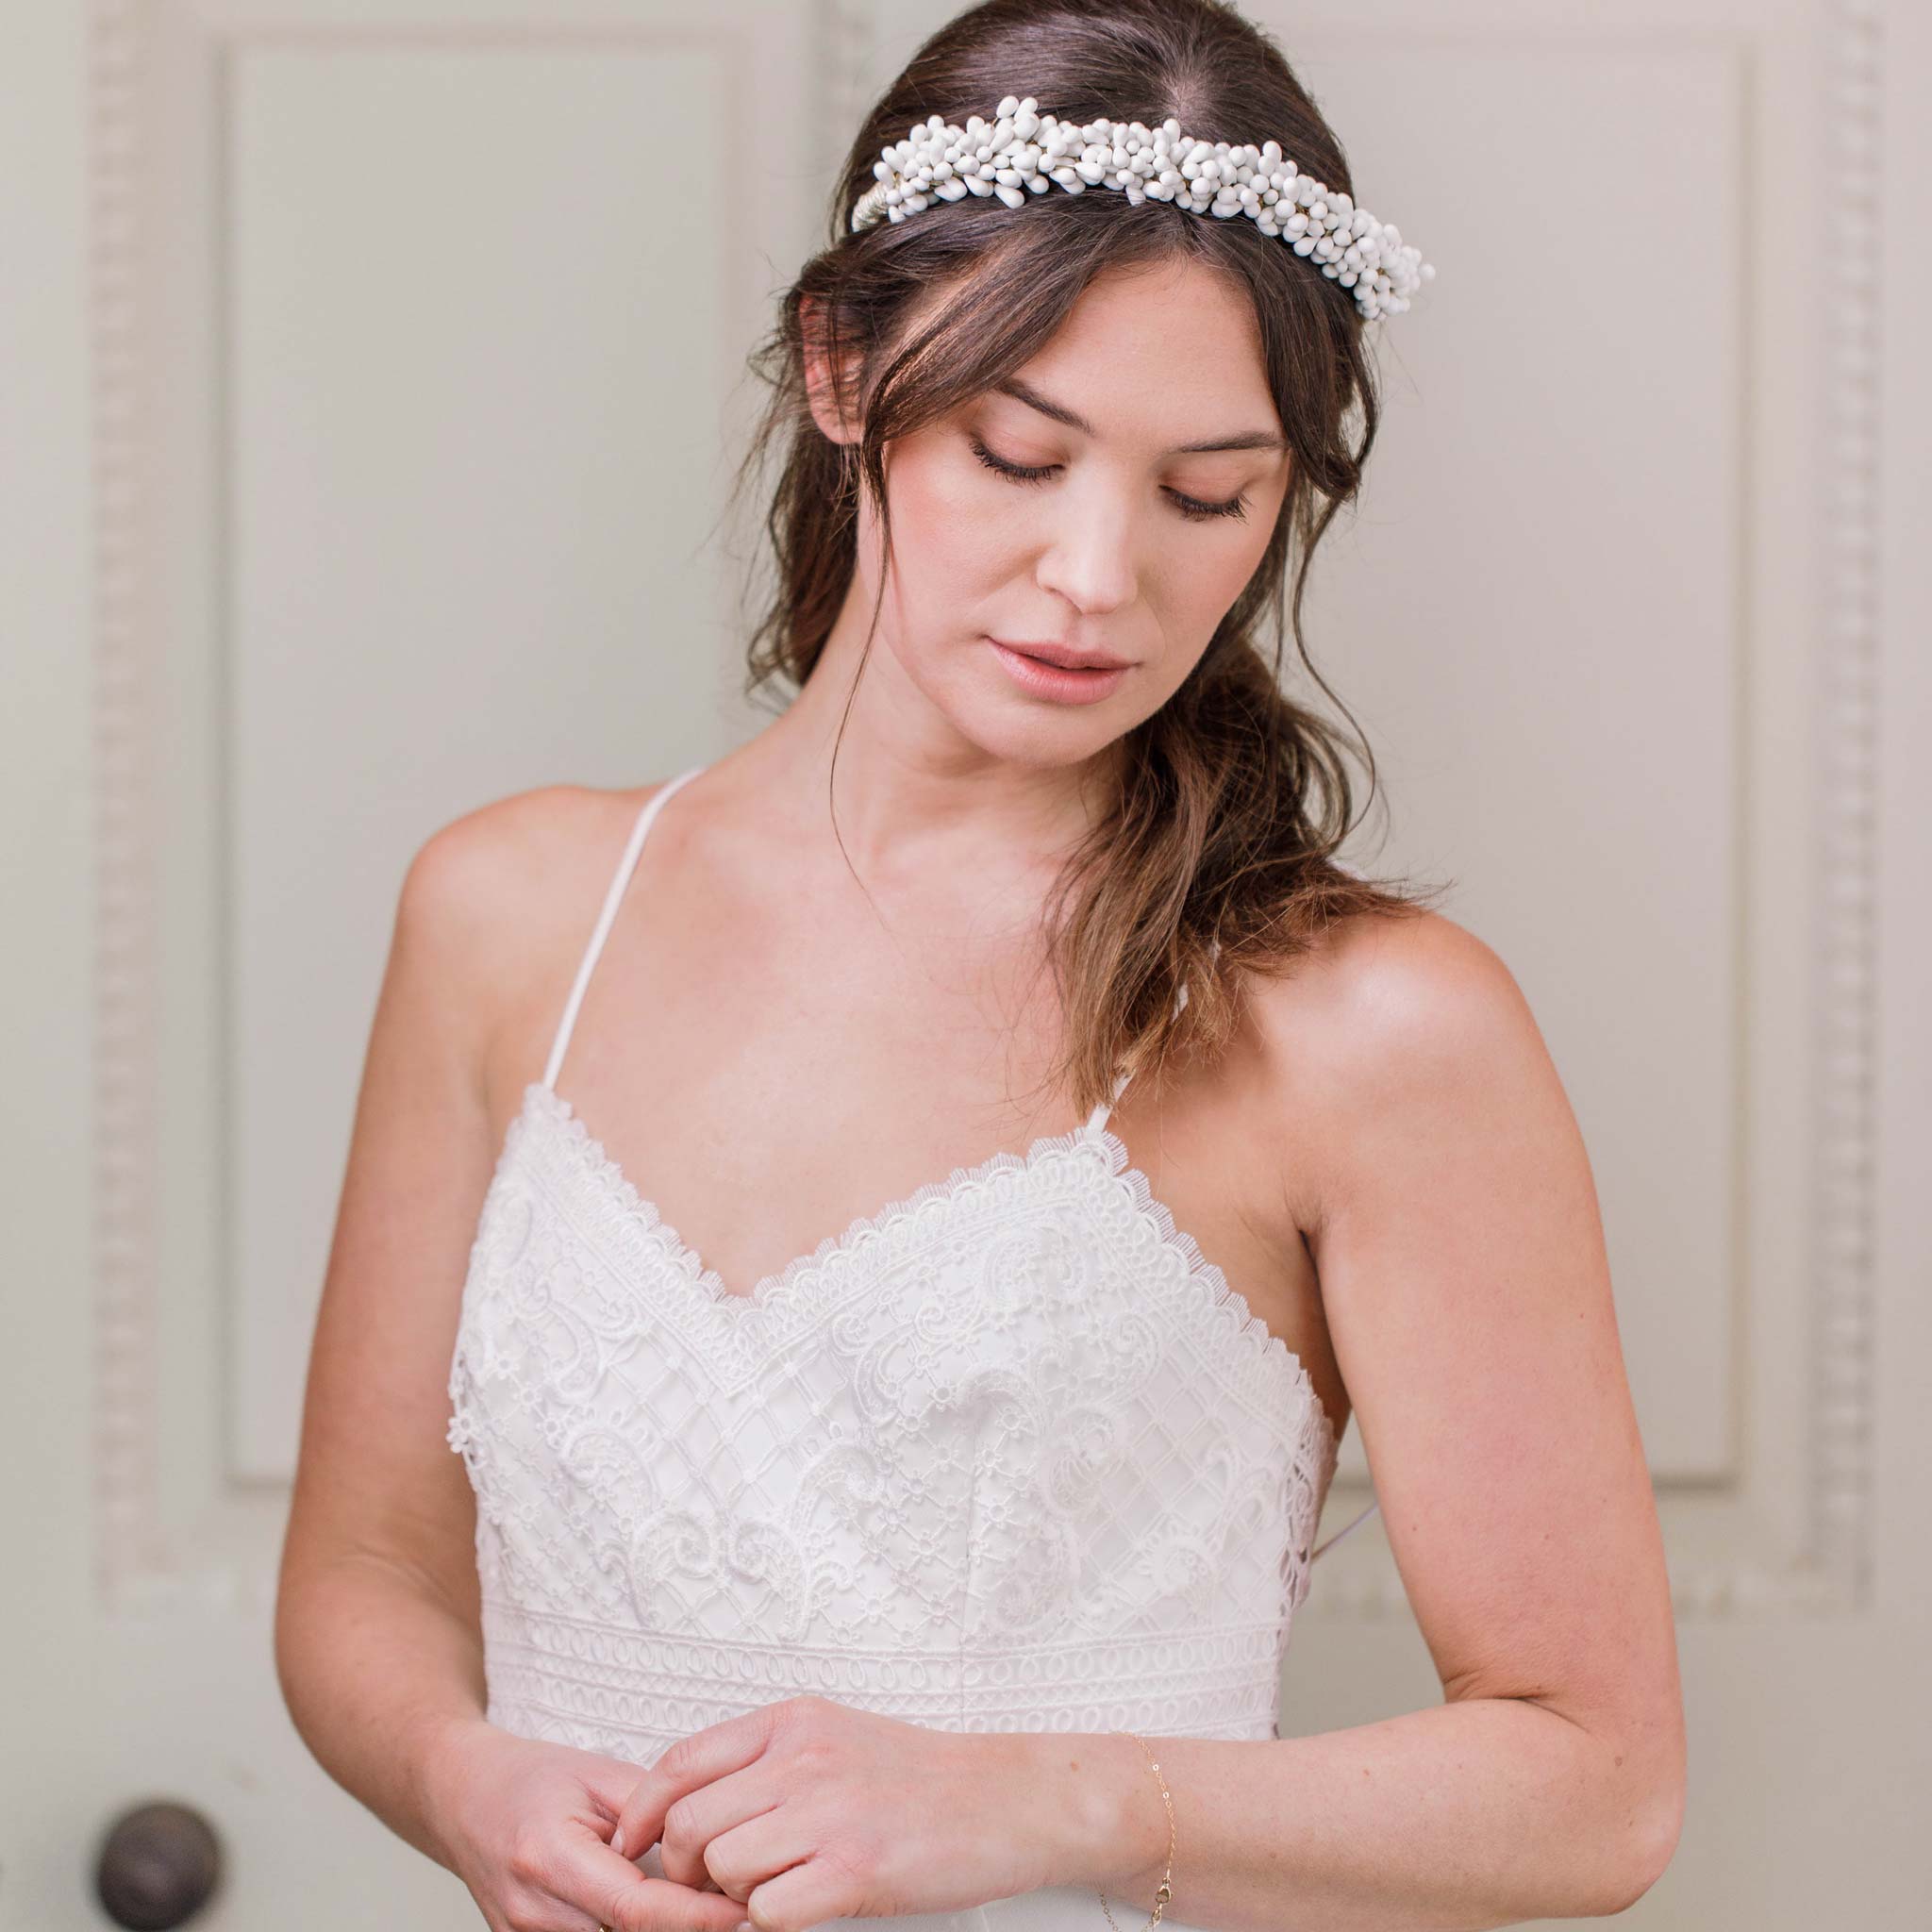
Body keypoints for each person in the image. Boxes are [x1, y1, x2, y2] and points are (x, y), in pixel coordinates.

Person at [274, 1, 1685, 1927]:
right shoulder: (509, 914)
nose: (1099, 577)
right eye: (1020, 454)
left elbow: (1597, 1787)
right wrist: (466, 1779)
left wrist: (1052, 1799)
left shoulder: (1364, 1029)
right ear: (843, 369)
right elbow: (365, 1578)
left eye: (1207, 495)